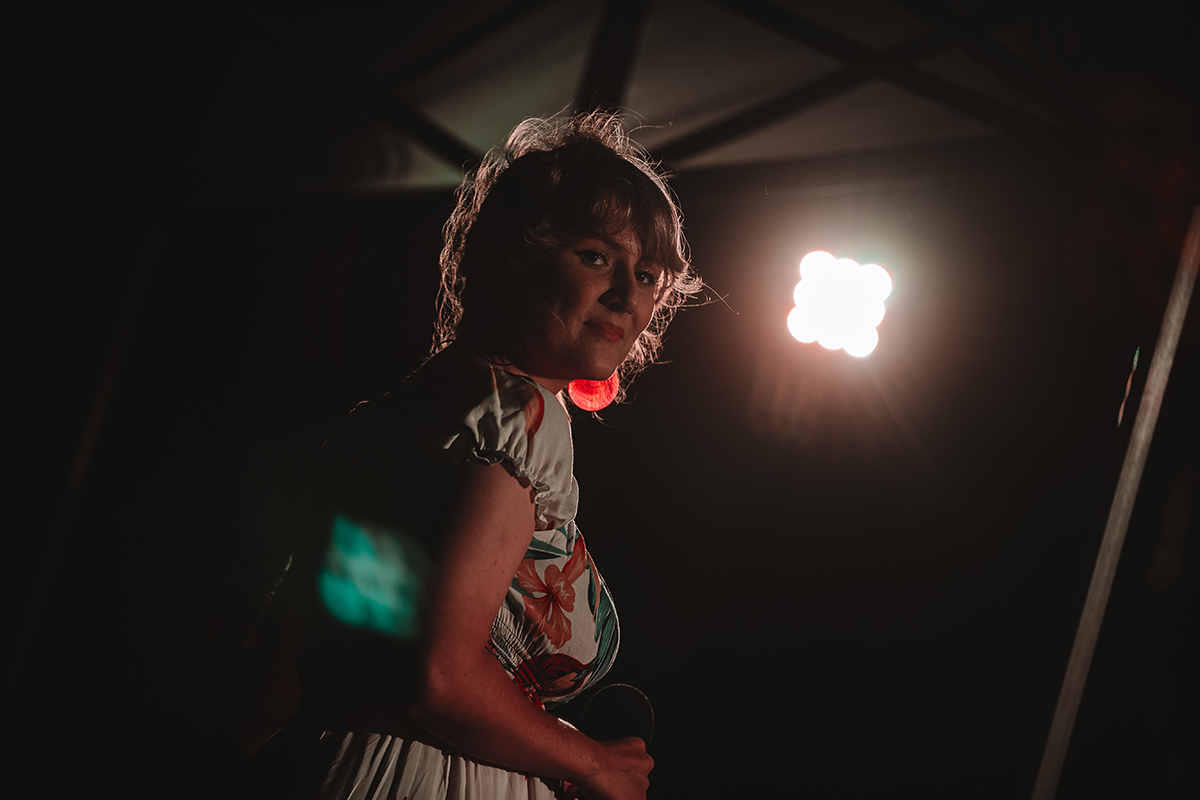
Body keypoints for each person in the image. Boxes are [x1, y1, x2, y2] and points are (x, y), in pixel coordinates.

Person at [291, 111, 701, 800]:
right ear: (520, 258)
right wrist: (596, 765)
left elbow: (280, 678)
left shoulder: (395, 416)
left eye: (649, 274)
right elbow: (442, 680)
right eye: (595, 256)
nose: (627, 295)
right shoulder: (520, 419)